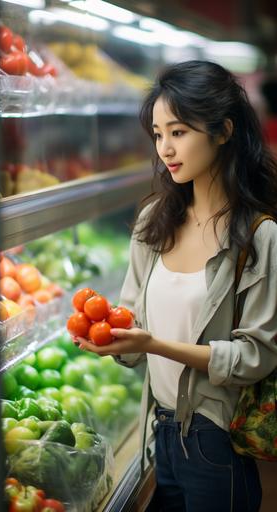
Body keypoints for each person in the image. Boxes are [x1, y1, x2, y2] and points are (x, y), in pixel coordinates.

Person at [72, 61, 277, 512]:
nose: (165, 148)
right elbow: (132, 328)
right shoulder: (153, 223)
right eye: (158, 134)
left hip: (216, 441)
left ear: (223, 131)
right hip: (158, 433)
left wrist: (155, 345)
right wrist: (111, 337)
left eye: (179, 132)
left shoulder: (259, 236)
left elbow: (256, 356)